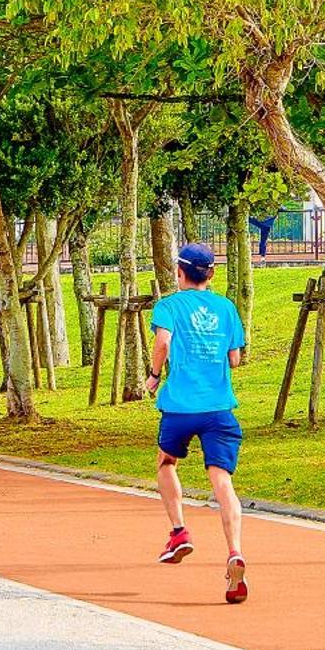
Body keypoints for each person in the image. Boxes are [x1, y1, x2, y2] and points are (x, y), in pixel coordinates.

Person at [144, 242, 251, 605]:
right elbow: (235, 359)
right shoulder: (226, 308)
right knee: (222, 480)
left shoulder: (169, 306)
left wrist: (154, 375)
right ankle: (234, 551)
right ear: (212, 274)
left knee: (166, 461)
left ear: (179, 272)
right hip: (219, 408)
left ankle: (178, 532)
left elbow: (162, 342)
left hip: (179, 407)